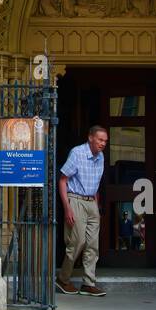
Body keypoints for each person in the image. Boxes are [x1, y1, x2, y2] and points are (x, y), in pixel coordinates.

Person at [56, 125, 108, 296]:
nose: (103, 144)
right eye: (100, 140)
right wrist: (67, 208)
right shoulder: (77, 153)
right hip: (76, 199)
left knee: (93, 245)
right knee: (77, 242)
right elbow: (63, 180)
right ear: (91, 138)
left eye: (105, 141)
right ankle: (63, 279)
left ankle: (88, 283)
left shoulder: (101, 157)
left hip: (92, 202)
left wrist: (97, 207)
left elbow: (97, 184)